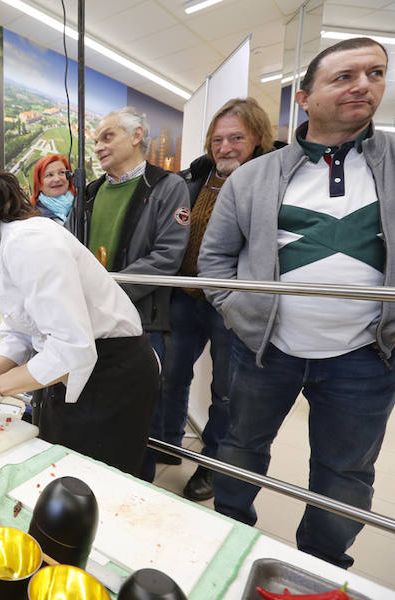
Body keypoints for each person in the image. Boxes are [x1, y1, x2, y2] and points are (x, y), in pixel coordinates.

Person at [199, 38, 393, 569]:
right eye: (344, 76)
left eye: (375, 73)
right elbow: (213, 262)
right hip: (264, 351)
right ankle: (228, 537)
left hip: (365, 357)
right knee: (240, 447)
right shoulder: (255, 177)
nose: (363, 85)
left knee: (346, 472)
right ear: (304, 99)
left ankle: (320, 566)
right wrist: (242, 318)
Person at [0, 169, 159, 475]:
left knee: (95, 486)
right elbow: (21, 336)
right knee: (58, 472)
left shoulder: (29, 242)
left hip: (113, 373)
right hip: (69, 370)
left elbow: (71, 349)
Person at [160, 98, 280, 501]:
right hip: (187, 296)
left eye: (236, 138)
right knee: (171, 376)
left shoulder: (270, 180)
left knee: (227, 392)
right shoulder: (197, 177)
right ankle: (166, 444)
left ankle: (212, 464)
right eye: (217, 140)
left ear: (258, 139)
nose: (225, 147)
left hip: (233, 303)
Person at [66, 106, 190, 480]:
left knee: (140, 415)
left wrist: (106, 289)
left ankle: (138, 488)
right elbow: (68, 250)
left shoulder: (168, 188)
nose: (99, 147)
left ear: (137, 137)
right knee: (93, 407)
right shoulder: (89, 193)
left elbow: (167, 256)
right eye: (96, 140)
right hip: (89, 320)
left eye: (108, 137)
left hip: (141, 321)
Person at [29, 154, 76, 223]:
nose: (57, 179)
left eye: (61, 172)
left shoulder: (83, 205)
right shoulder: (34, 219)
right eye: (49, 175)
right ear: (39, 184)